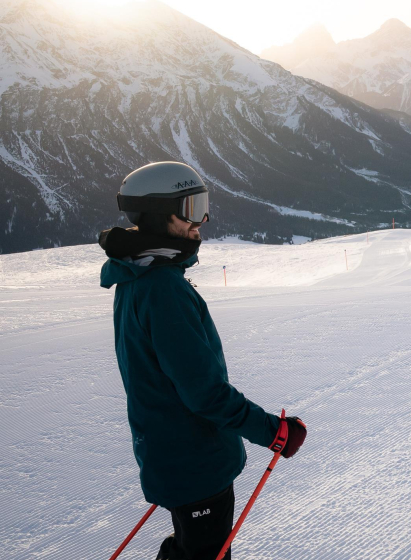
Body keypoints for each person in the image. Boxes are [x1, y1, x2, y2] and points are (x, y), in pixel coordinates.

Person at [98, 161, 307, 559]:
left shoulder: (138, 277)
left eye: (203, 205)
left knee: (195, 549)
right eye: (191, 209)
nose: (203, 220)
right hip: (194, 462)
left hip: (173, 454)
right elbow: (205, 393)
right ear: (160, 216)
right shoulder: (162, 289)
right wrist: (275, 432)